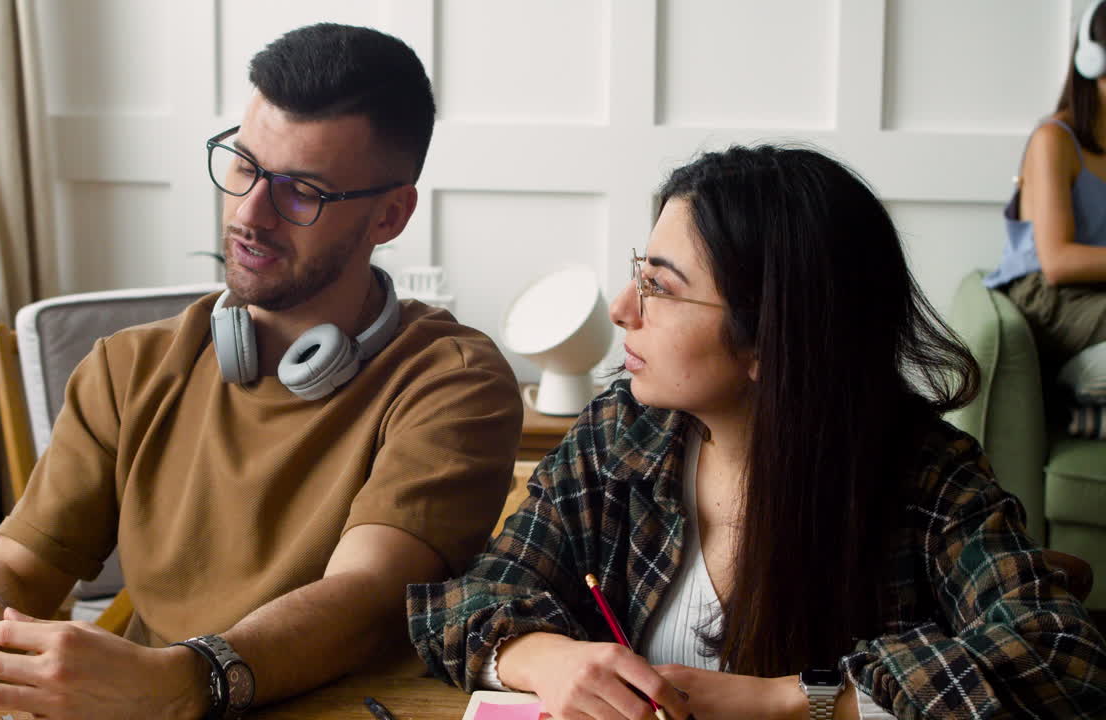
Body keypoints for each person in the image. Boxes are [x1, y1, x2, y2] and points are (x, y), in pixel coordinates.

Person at [0, 23, 523, 719]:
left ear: (389, 215)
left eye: (301, 191)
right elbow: (25, 570)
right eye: (243, 165)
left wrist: (188, 680)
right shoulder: (127, 368)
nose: (250, 212)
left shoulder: (455, 382)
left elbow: (365, 599)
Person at [408, 145, 1106, 719]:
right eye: (637, 274)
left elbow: (1060, 663)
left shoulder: (926, 476)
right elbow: (467, 600)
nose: (624, 308)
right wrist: (548, 659)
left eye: (662, 286)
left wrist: (791, 701)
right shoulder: (621, 434)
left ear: (771, 339)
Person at [985, 0, 1106, 396]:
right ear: (1092, 61)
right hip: (1048, 297)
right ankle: (1075, 391)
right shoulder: (1054, 140)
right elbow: (1057, 262)